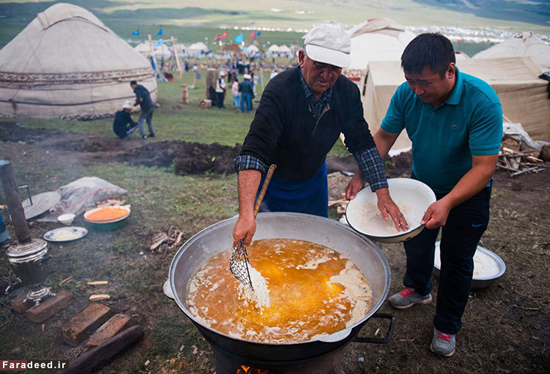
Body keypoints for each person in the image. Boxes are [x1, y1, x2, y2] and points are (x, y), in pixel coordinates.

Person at [374, 33, 503, 357]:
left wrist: (447, 202)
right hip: (423, 185)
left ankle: (447, 325)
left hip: (467, 195)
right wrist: (365, 173)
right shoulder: (407, 94)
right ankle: (418, 288)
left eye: (424, 83)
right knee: (416, 243)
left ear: (450, 70)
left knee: (457, 260)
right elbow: (386, 135)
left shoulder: (481, 101)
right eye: (410, 81)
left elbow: (484, 167)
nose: (417, 90)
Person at [232, 24, 408, 250]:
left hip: (314, 180)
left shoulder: (347, 92)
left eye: (335, 68)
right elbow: (254, 153)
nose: (327, 76)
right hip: (273, 182)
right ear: (302, 58)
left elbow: (362, 143)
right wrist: (246, 214)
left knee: (313, 243)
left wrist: (382, 192)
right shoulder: (280, 91)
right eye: (320, 66)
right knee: (271, 245)